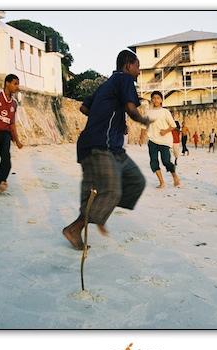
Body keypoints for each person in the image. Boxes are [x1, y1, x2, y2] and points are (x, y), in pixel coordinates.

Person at [62, 50, 153, 250]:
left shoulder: (106, 85)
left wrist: (114, 120)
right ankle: (75, 228)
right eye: (137, 67)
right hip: (99, 145)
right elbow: (131, 108)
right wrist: (144, 120)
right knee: (111, 190)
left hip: (109, 146)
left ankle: (99, 212)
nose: (138, 72)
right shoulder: (124, 79)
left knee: (136, 180)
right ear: (128, 65)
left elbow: (84, 108)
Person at [139, 91, 181, 189]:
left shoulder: (165, 112)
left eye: (158, 98)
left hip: (165, 141)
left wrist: (165, 131)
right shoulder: (148, 112)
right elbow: (143, 126)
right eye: (154, 98)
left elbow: (173, 126)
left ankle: (175, 176)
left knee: (166, 161)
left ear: (161, 100)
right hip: (152, 141)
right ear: (151, 100)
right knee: (153, 162)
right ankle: (162, 182)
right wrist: (141, 138)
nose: (156, 100)